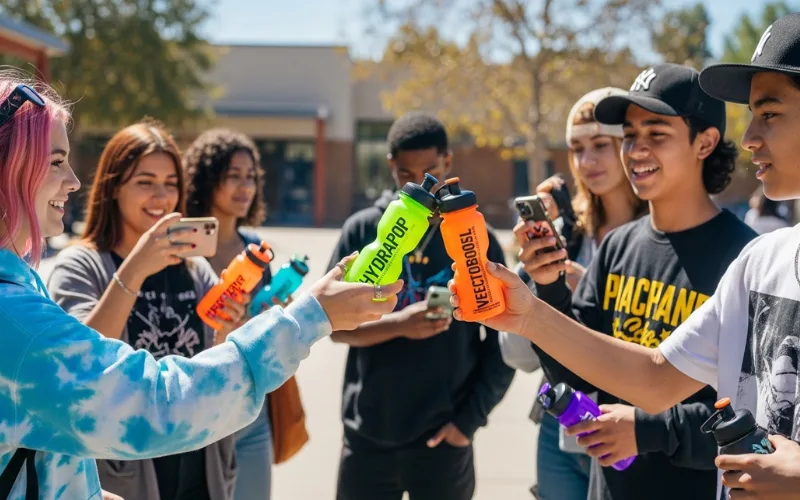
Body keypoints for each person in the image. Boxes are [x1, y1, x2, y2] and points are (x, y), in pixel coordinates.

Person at [0, 73, 401, 500]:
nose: (73, 181)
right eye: (56, 160)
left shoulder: (25, 291)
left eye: (171, 183)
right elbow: (152, 402)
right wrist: (308, 317)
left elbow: (41, 451)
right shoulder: (16, 316)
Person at [451, 18, 800, 498]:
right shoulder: (761, 261)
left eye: (770, 114)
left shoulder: (737, 249)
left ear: (703, 143)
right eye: (629, 135)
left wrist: (648, 431)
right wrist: (533, 308)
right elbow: (651, 378)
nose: (750, 137)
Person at [45, 121, 248, 499]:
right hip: (124, 475)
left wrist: (228, 329)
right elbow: (81, 366)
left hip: (199, 466)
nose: (162, 196)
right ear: (113, 187)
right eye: (145, 182)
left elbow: (214, 367)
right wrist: (135, 269)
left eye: (171, 183)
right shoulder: (80, 265)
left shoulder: (193, 267)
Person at [328, 112, 515, 500]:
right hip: (368, 436)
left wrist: (468, 422)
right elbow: (334, 328)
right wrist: (400, 324)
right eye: (405, 175)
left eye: (430, 170)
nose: (420, 185)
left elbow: (503, 342)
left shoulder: (473, 235)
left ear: (448, 162)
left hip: (443, 439)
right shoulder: (363, 230)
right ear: (390, 167)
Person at [499, 87, 648, 500]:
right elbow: (517, 355)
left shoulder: (659, 233)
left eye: (602, 144)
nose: (587, 161)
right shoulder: (567, 233)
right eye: (576, 148)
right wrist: (538, 277)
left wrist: (592, 295)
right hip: (561, 422)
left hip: (634, 426)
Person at [184, 128, 277, 500]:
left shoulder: (258, 250)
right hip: (191, 405)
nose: (245, 187)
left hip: (250, 410)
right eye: (232, 176)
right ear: (207, 180)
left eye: (251, 176)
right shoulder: (181, 245)